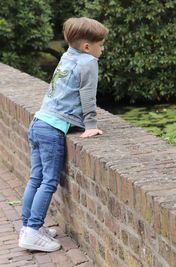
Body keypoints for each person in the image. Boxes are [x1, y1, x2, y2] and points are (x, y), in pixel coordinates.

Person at [19, 17, 109, 252]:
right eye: (101, 44)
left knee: (35, 178)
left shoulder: (68, 56)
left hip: (38, 122)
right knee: (49, 181)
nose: (103, 48)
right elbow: (87, 95)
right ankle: (32, 230)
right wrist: (90, 124)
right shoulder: (88, 61)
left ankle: (28, 226)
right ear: (87, 47)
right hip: (52, 130)